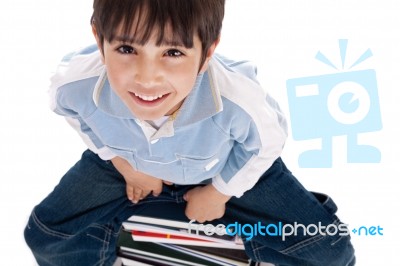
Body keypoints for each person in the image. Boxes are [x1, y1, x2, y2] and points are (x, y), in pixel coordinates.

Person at [24, 0, 356, 265]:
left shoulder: (237, 99)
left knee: (328, 250)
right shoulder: (75, 84)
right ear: (99, 39)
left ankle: (238, 244)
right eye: (127, 49)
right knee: (46, 234)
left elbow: (267, 144)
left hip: (220, 165)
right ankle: (112, 245)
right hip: (128, 159)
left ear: (208, 51)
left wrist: (220, 192)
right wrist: (125, 165)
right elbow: (70, 111)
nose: (147, 78)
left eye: (173, 53)